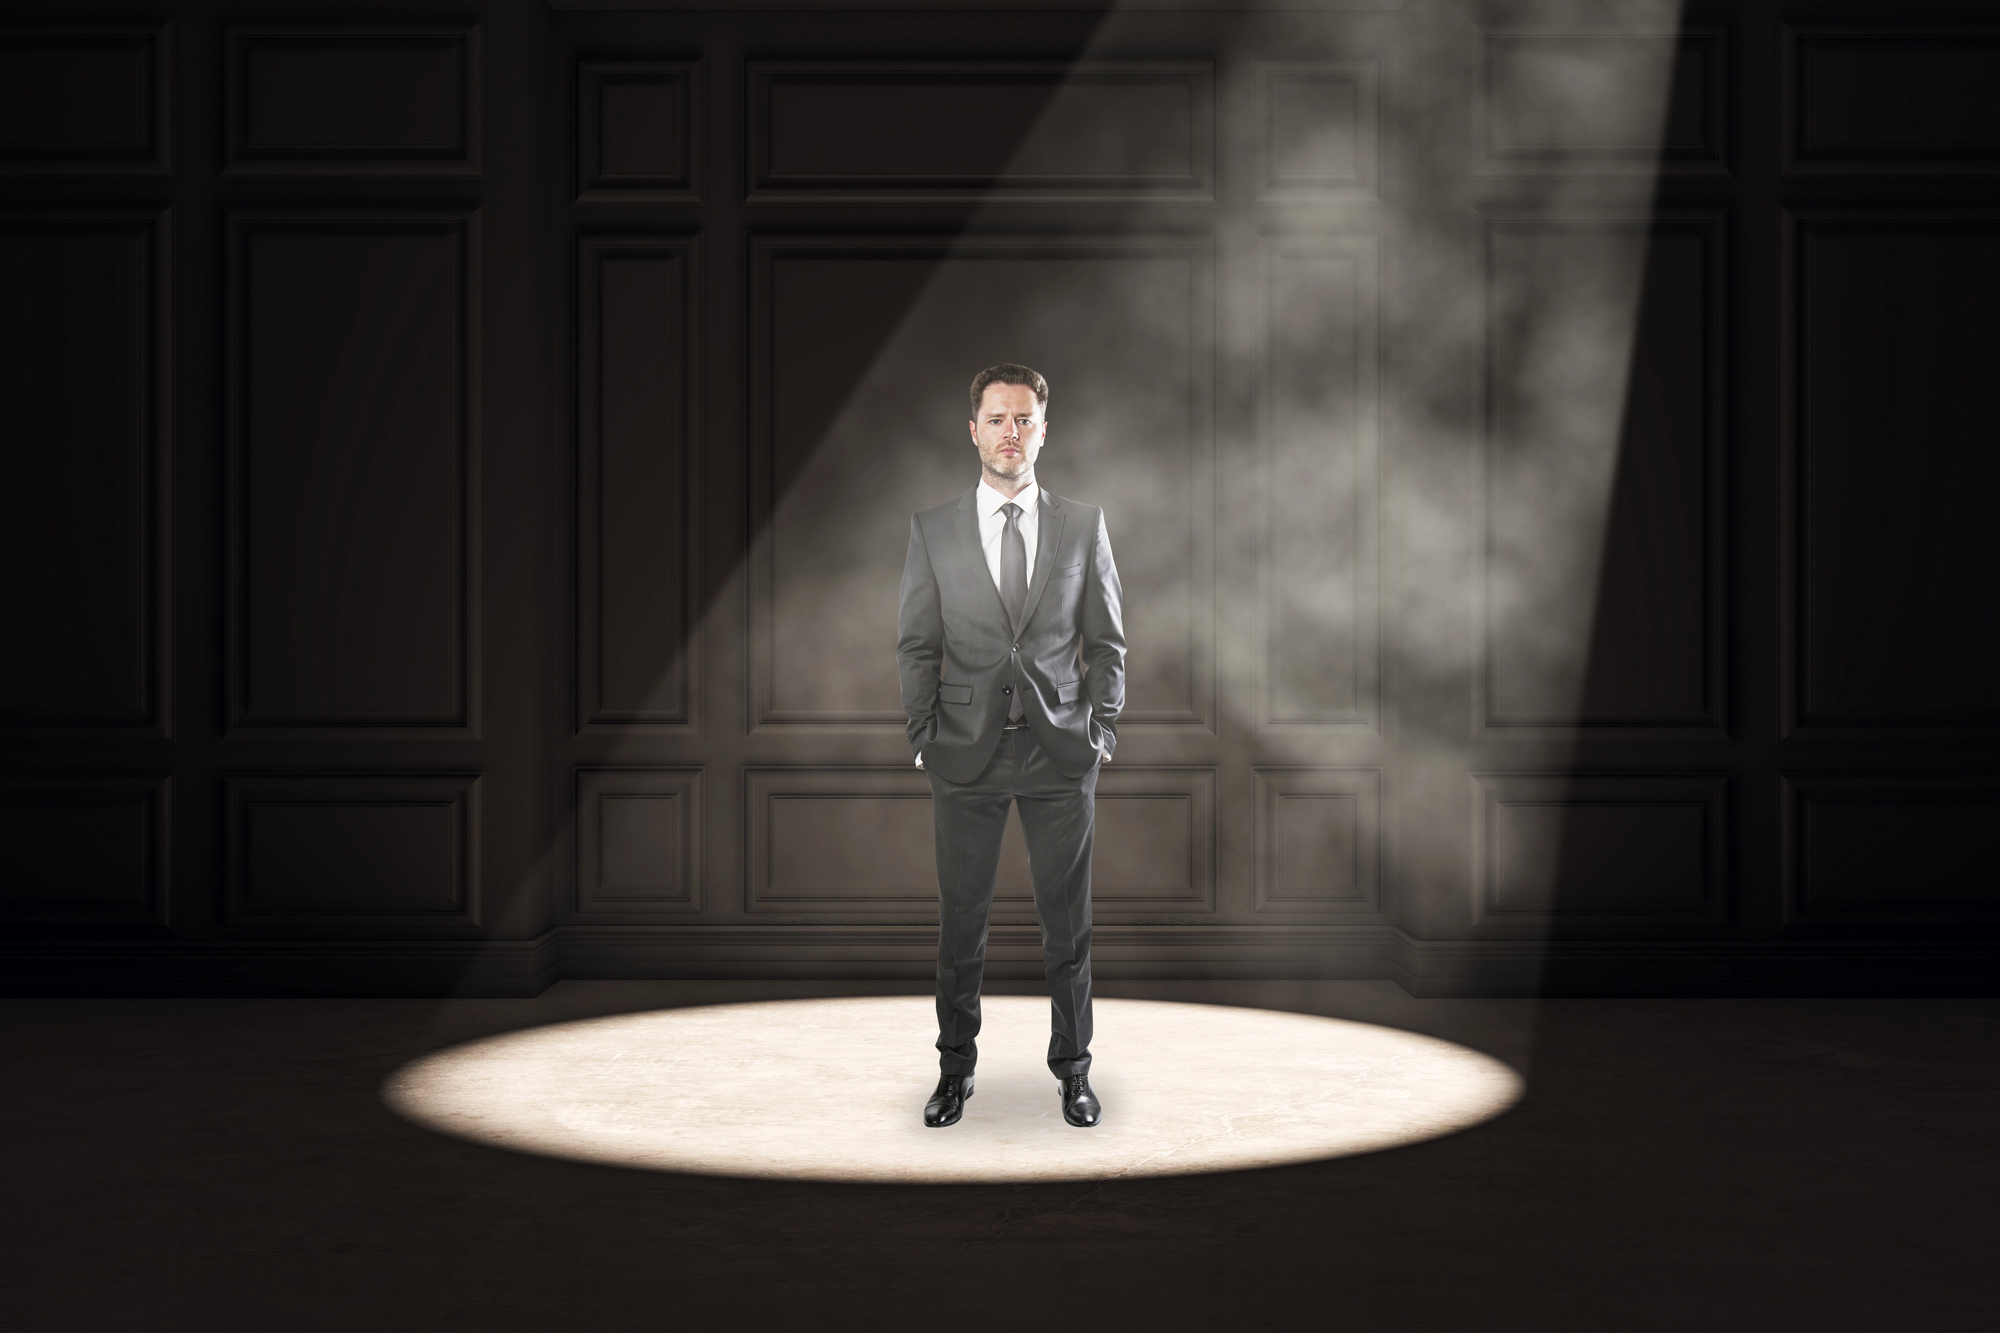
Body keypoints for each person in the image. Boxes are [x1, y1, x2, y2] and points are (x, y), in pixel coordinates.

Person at [895, 362, 1127, 1129]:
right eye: (997, 418)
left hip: (1062, 752)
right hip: (965, 753)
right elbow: (916, 643)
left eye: (1024, 419)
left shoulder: (1083, 524)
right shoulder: (933, 528)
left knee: (1069, 926)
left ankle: (1075, 1073)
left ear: (1043, 429)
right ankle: (954, 1072)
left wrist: (1102, 731)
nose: (1010, 432)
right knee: (962, 925)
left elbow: (1108, 640)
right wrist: (923, 737)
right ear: (974, 429)